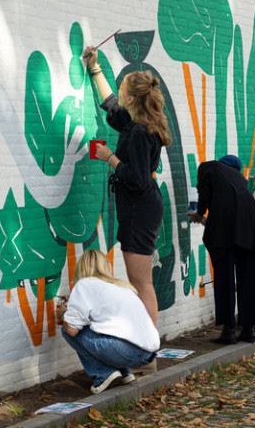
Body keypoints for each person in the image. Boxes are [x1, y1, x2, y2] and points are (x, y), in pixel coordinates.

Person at [83, 46, 171, 328]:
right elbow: (111, 105)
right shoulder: (137, 123)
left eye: (123, 90)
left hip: (140, 210)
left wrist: (110, 158)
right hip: (140, 208)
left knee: (141, 282)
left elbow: (137, 178)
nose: (119, 93)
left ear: (132, 99)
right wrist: (95, 69)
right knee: (138, 281)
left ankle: (147, 348)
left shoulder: (140, 133)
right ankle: (146, 345)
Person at [188, 155, 255, 344]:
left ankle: (228, 331)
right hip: (251, 228)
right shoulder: (239, 179)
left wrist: (199, 213)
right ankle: (249, 330)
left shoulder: (209, 167)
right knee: (250, 278)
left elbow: (204, 192)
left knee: (224, 278)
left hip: (224, 232)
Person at [58, 249, 159, 394]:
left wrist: (63, 314)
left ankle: (104, 374)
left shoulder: (84, 284)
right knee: (99, 329)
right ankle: (125, 374)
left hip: (125, 352)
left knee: (67, 329)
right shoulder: (121, 285)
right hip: (147, 356)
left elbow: (72, 330)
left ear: (81, 267)